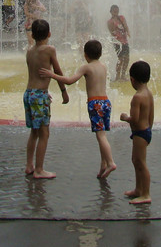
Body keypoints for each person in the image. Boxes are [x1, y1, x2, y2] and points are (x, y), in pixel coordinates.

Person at [40, 39, 117, 179]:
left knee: (100, 136)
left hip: (95, 104)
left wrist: (52, 75)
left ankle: (111, 162)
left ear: (85, 54)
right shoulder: (103, 66)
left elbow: (70, 81)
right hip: (106, 102)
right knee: (102, 134)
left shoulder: (86, 67)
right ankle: (103, 165)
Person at [23, 19, 69, 179]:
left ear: (33, 35)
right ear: (49, 34)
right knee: (44, 133)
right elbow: (57, 70)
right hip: (39, 96)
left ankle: (29, 165)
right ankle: (39, 170)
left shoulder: (29, 51)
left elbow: (34, 74)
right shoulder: (49, 50)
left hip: (29, 94)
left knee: (34, 132)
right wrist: (64, 91)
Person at [120, 60, 154, 205]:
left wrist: (125, 118)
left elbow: (135, 119)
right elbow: (151, 115)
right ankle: (138, 189)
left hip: (140, 133)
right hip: (145, 131)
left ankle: (146, 194)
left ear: (132, 79)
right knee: (136, 161)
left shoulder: (137, 98)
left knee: (141, 163)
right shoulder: (148, 93)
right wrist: (149, 129)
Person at [107, 4, 131, 81]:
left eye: (117, 11)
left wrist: (128, 32)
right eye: (114, 12)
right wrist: (114, 23)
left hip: (124, 41)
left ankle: (123, 75)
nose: (116, 13)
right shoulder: (110, 21)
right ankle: (117, 76)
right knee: (120, 59)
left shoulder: (121, 18)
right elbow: (112, 32)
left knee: (127, 58)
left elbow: (125, 25)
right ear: (111, 12)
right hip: (117, 42)